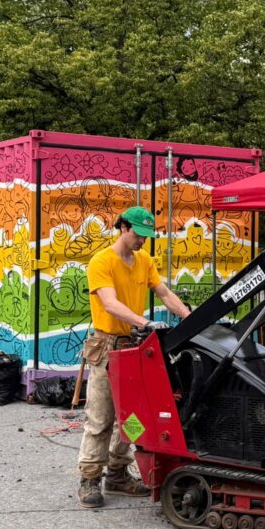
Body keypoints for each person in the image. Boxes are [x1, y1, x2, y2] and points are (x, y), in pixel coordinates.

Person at [77, 205, 191, 508]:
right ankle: (89, 477)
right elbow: (110, 304)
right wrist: (145, 322)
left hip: (133, 346)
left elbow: (165, 293)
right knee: (101, 417)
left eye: (147, 236)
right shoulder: (101, 261)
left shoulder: (144, 261)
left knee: (133, 417)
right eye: (139, 234)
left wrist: (190, 318)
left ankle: (117, 473)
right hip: (107, 345)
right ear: (124, 228)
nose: (143, 241)